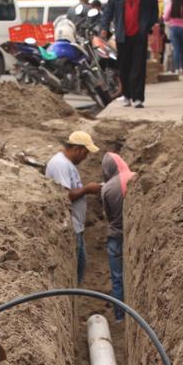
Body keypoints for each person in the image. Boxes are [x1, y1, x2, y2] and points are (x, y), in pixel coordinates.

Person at [45, 131, 101, 285]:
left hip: (76, 226)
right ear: (76, 148)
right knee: (78, 268)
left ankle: (76, 292)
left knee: (81, 266)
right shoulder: (60, 165)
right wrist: (87, 189)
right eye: (85, 153)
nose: (85, 157)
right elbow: (64, 196)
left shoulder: (66, 164)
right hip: (69, 227)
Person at [101, 0, 158, 109]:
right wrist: (104, 27)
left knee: (138, 66)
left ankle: (137, 98)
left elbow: (154, 13)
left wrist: (147, 28)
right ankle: (126, 95)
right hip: (122, 35)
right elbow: (108, 10)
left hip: (139, 36)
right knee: (124, 66)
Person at [98, 152, 134, 321]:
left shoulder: (107, 188)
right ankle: (133, 316)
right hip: (133, 236)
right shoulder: (135, 178)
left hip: (115, 237)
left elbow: (110, 216)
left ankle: (120, 317)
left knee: (118, 279)